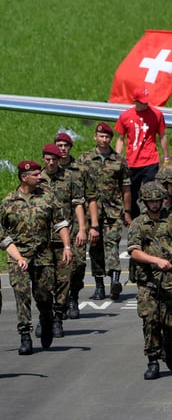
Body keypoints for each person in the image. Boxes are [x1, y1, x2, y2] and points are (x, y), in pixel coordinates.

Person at [0, 160, 73, 355]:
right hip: (19, 259)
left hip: (43, 257)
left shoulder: (48, 197)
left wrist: (66, 246)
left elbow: (60, 223)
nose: (40, 177)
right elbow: (2, 232)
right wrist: (14, 253)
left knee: (43, 295)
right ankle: (25, 335)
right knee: (22, 295)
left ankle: (46, 319)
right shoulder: (8, 202)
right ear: (24, 178)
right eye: (35, 174)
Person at [128, 181, 172, 380]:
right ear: (144, 202)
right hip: (148, 280)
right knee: (150, 320)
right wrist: (157, 261)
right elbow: (134, 251)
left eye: (157, 201)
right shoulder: (138, 223)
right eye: (150, 201)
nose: (154, 205)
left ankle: (169, 344)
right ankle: (152, 360)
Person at [77, 121, 129, 301]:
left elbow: (126, 188)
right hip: (91, 213)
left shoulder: (119, 161)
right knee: (95, 248)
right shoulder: (84, 160)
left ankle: (115, 280)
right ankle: (99, 285)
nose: (104, 139)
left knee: (112, 244)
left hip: (113, 210)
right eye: (101, 136)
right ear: (95, 137)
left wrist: (127, 210)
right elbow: (77, 186)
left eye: (107, 137)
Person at [40, 142, 88, 331]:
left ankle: (58, 315)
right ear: (43, 159)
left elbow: (77, 204)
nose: (51, 163)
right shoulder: (37, 179)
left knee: (65, 277)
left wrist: (83, 228)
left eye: (54, 159)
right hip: (42, 239)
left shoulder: (69, 178)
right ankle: (45, 315)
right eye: (48, 159)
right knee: (43, 281)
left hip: (65, 235)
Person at [55, 132, 97, 318]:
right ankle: (60, 302)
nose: (62, 149)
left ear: (70, 147)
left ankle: (73, 295)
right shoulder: (46, 173)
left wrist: (91, 225)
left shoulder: (80, 170)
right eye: (59, 145)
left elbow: (91, 198)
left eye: (66, 145)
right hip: (54, 228)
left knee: (78, 264)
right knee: (59, 267)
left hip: (76, 225)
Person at [115, 86, 170, 219]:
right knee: (130, 196)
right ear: (135, 101)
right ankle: (137, 220)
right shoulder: (125, 116)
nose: (145, 104)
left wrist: (166, 157)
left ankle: (152, 219)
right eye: (142, 102)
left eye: (147, 102)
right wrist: (117, 158)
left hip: (150, 160)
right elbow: (121, 139)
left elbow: (162, 136)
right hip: (132, 162)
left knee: (151, 193)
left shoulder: (156, 114)